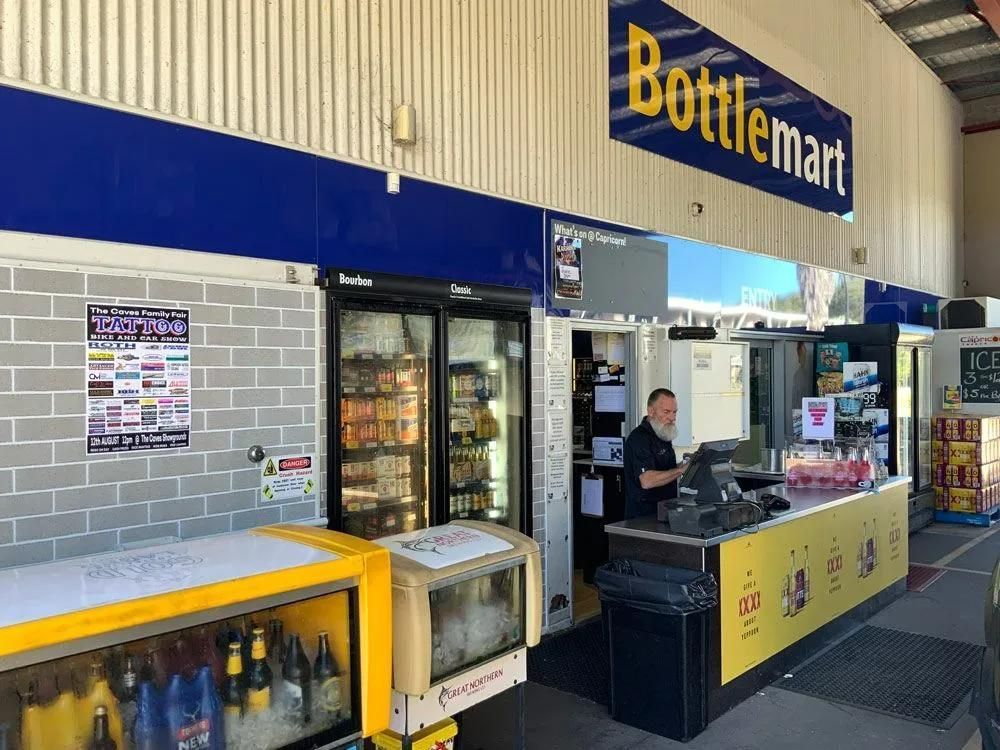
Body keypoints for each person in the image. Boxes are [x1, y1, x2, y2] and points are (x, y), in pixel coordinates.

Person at [623, 388, 688, 519]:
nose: (672, 418)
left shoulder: (662, 433)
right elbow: (647, 480)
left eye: (675, 412)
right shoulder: (639, 439)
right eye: (666, 412)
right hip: (643, 518)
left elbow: (664, 469)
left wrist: (689, 464)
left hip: (664, 512)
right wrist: (680, 470)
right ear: (651, 411)